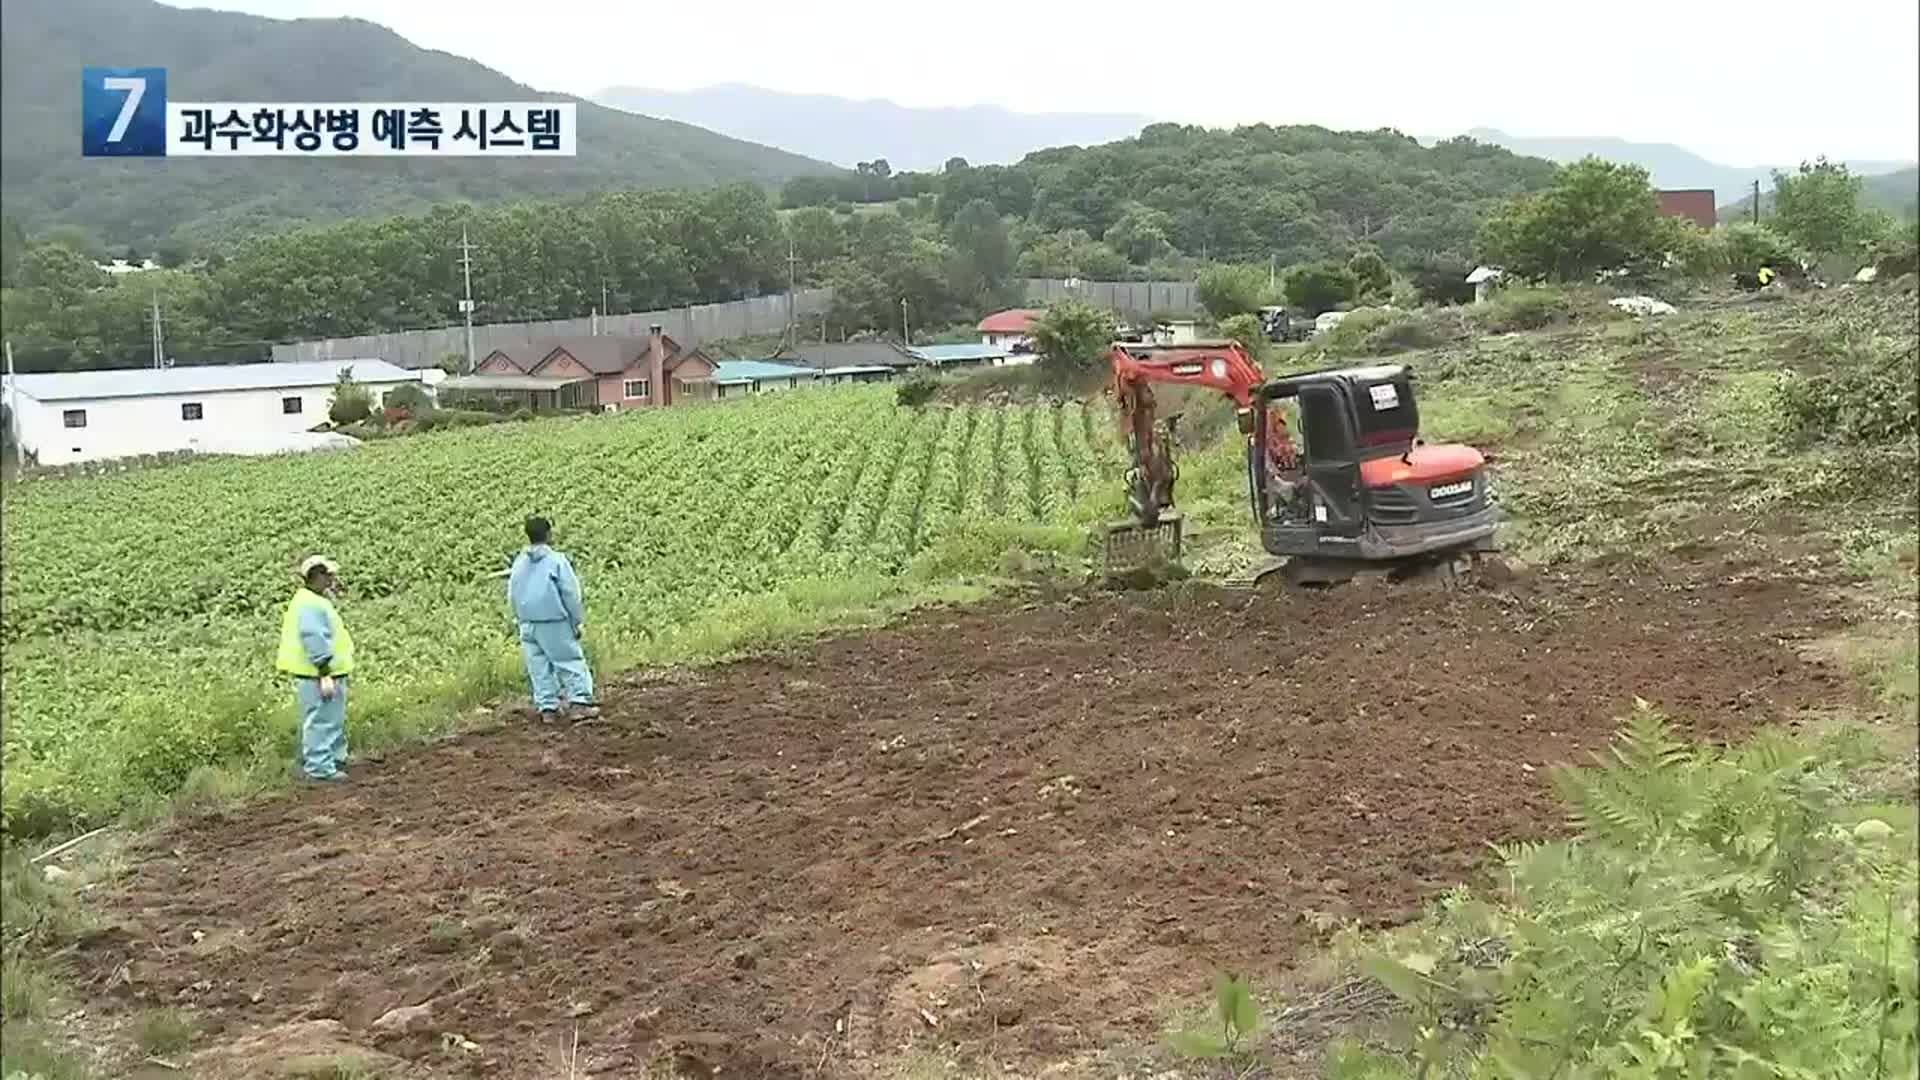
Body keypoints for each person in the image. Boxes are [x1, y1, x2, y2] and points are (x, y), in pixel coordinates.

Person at [507, 516, 600, 723]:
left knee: (538, 667)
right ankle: (579, 703)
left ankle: (547, 708)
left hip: (527, 622)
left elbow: (512, 594)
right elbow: (570, 594)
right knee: (569, 661)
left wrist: (519, 618)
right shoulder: (557, 561)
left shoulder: (519, 562)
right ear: (549, 534)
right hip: (553, 620)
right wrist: (576, 621)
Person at [276, 555, 354, 782]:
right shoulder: (310, 604)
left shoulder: (312, 599)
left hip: (323, 672)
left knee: (330, 719)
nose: (332, 579)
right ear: (317, 576)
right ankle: (319, 768)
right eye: (328, 575)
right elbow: (314, 638)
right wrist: (325, 673)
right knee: (322, 720)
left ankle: (332, 760)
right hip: (317, 674)